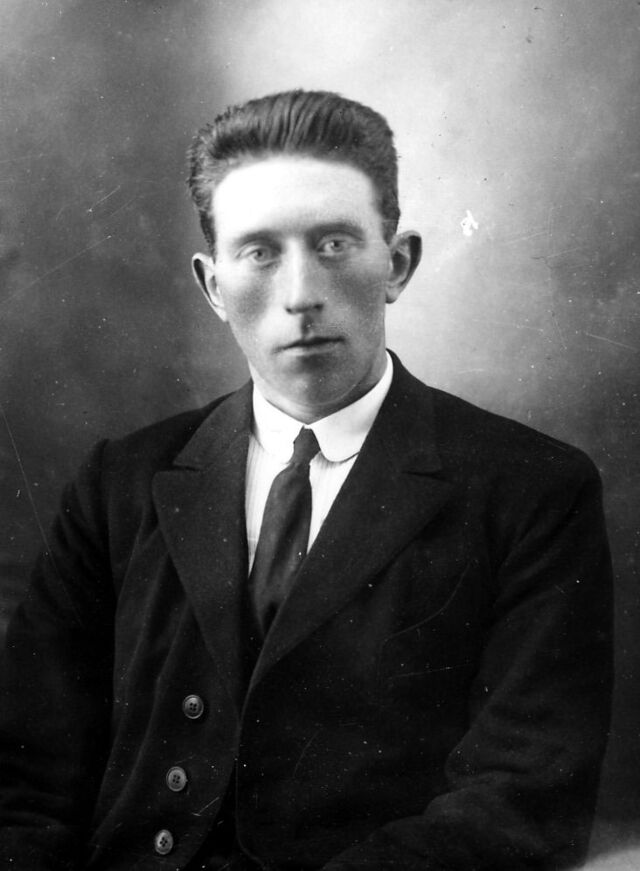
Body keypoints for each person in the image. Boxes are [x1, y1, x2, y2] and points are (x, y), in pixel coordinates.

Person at [0, 90, 613, 871]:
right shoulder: (122, 482)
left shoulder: (532, 490)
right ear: (213, 286)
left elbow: (522, 800)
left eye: (333, 244)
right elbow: (25, 782)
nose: (300, 296)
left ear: (397, 264)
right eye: (260, 252)